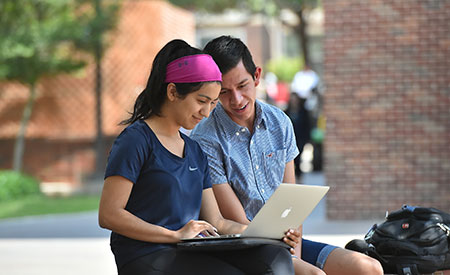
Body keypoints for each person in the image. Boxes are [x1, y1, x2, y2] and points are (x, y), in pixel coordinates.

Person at [98, 39, 297, 275]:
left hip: (188, 250)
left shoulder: (193, 150)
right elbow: (109, 215)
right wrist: (174, 235)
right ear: (172, 91)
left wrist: (269, 234)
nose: (206, 112)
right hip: (146, 254)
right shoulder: (136, 140)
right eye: (201, 101)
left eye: (213, 103)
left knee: (275, 258)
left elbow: (218, 221)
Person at [190, 35, 383, 275]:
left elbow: (292, 202)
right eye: (225, 92)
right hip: (244, 245)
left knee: (369, 268)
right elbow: (236, 221)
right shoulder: (205, 139)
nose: (236, 99)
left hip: (285, 242)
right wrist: (291, 263)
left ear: (257, 76)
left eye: (242, 86)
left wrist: (295, 254)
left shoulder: (279, 121)